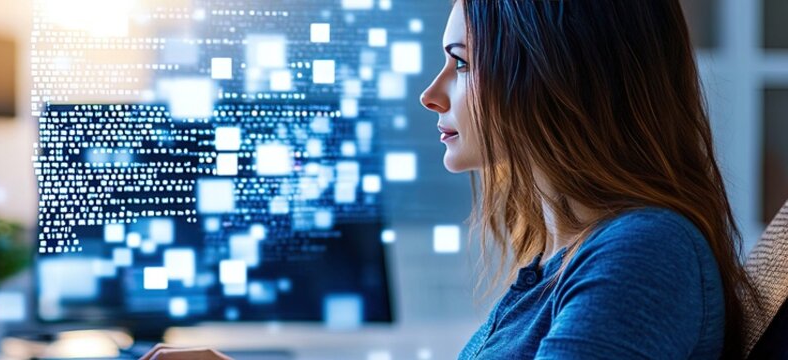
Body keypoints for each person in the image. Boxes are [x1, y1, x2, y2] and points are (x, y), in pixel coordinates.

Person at [140, 0, 753, 358]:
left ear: (554, 73)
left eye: (460, 63)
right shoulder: (568, 260)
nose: (432, 95)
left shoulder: (643, 254)